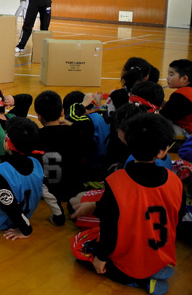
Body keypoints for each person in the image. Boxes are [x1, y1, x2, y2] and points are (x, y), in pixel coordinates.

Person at [71, 113, 184, 295]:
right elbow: (176, 217)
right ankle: (157, 269)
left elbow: (108, 227)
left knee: (80, 247)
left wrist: (100, 257)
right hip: (163, 253)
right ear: (163, 152)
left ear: (128, 145)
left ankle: (141, 281)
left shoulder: (116, 181)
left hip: (130, 259)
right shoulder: (175, 180)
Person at [34, 90, 97, 204]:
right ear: (62, 112)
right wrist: (72, 125)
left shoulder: (35, 136)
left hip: (45, 192)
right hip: (72, 190)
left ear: (38, 116)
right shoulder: (76, 133)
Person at [160, 59, 192, 137]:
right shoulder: (188, 92)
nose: (167, 78)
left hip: (187, 133)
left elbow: (163, 116)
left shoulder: (181, 95)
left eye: (171, 75)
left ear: (184, 79)